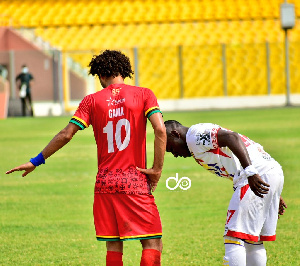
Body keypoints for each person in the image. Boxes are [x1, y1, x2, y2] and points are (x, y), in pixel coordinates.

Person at [6, 50, 166, 266]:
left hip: (105, 183)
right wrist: (156, 170)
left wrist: (36, 161)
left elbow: (66, 134)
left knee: (113, 244)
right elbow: (160, 130)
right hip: (134, 180)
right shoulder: (144, 94)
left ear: (100, 75)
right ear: (124, 71)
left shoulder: (91, 101)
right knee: (152, 243)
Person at [164, 120, 287, 266]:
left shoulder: (194, 135)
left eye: (171, 148)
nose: (175, 154)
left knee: (233, 238)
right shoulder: (194, 142)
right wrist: (272, 190)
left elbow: (232, 137)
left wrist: (251, 172)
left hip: (254, 174)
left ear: (175, 134)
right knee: (252, 239)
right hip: (268, 172)